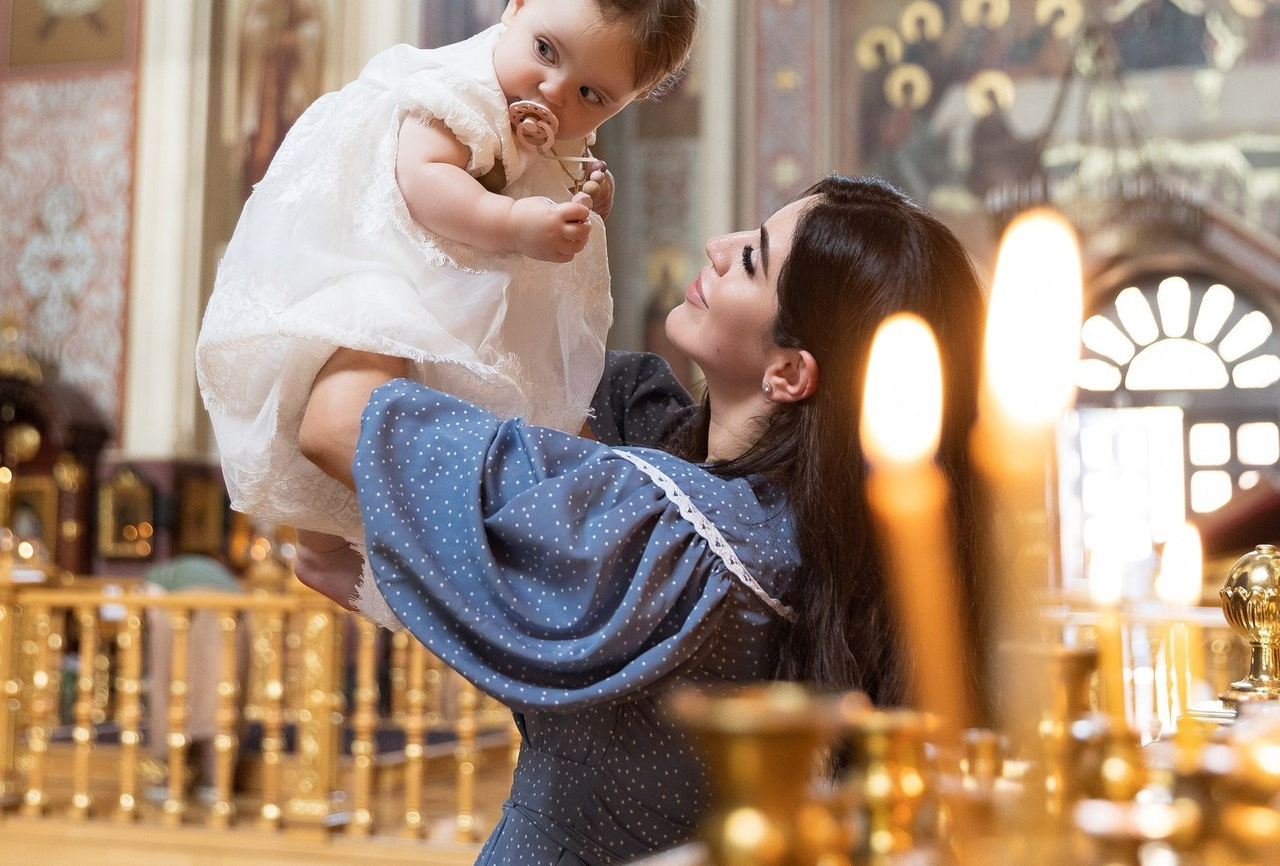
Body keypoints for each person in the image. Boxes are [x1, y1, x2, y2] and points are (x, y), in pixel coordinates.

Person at [294, 175, 989, 865]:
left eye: (752, 260)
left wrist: (392, 233)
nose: (718, 247)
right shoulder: (794, 531)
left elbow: (337, 421)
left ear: (788, 373)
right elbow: (528, 373)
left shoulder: (672, 532)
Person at [196, 0, 701, 621]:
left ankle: (348, 548)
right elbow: (422, 181)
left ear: (628, 100)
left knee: (431, 397)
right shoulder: (459, 88)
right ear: (518, 2)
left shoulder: (562, 120)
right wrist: (518, 223)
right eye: (545, 51)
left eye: (591, 92)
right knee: (339, 351)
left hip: (446, 275)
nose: (552, 90)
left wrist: (586, 193)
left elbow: (560, 169)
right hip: (370, 243)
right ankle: (315, 545)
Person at [237, 0, 326, 197]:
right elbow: (251, 29)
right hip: (267, 81)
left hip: (296, 79)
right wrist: (269, 36)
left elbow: (316, 30)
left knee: (294, 135)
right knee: (264, 139)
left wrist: (299, 38)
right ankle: (256, 195)